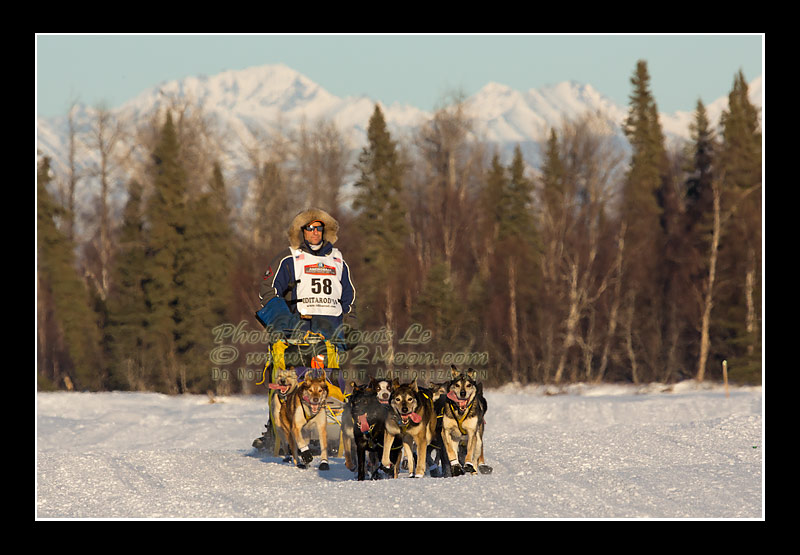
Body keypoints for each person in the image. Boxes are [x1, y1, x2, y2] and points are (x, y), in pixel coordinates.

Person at [255, 207, 357, 348]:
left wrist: (350, 324)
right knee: (298, 370)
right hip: (297, 334)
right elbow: (268, 291)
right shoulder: (289, 258)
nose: (315, 232)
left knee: (329, 370)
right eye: (310, 228)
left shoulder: (338, 260)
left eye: (318, 228)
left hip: (332, 333)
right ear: (302, 231)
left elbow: (348, 296)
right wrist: (284, 322)